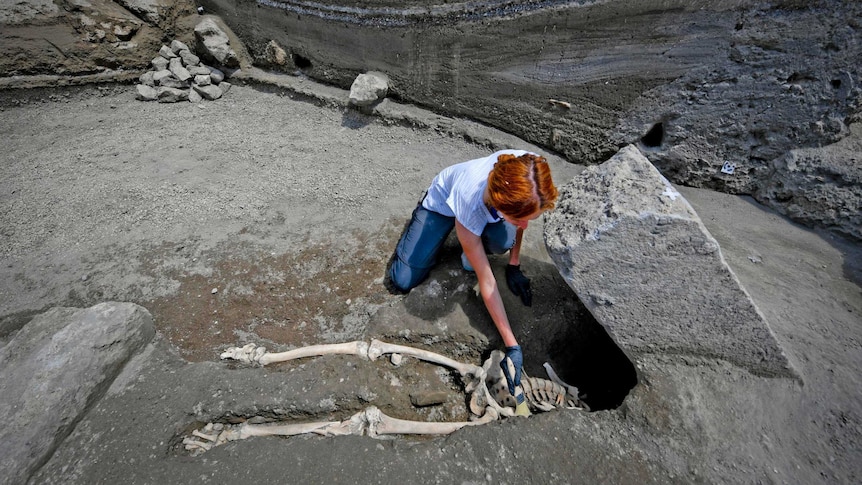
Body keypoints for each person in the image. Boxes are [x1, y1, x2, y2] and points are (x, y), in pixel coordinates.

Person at [388, 149, 559, 403]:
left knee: (505, 239)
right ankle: (446, 235)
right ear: (500, 203)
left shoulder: (529, 169)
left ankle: (475, 244)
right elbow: (486, 281)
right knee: (402, 279)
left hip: (486, 209)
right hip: (443, 204)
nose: (525, 225)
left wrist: (514, 263)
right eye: (518, 218)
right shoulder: (469, 201)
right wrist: (512, 344)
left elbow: (524, 213)